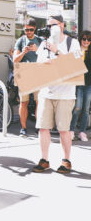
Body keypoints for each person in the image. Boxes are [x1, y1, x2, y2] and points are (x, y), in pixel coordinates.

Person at [32, 15, 80, 174]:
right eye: (49, 25)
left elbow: (76, 66)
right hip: (46, 91)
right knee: (43, 127)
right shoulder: (44, 44)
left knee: (63, 129)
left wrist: (57, 51)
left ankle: (66, 160)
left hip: (65, 94)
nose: (50, 27)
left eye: (54, 24)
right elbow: (37, 64)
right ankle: (44, 159)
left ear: (62, 25)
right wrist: (43, 64)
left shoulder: (72, 42)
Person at [13, 18, 43, 136]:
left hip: (38, 72)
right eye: (26, 30)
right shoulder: (20, 41)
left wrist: (37, 50)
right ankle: (23, 128)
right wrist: (23, 52)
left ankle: (38, 126)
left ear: (34, 28)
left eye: (31, 30)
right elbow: (15, 60)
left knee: (39, 102)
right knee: (24, 102)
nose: (28, 32)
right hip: (24, 72)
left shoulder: (40, 40)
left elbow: (47, 59)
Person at [69, 29, 91, 142]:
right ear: (80, 39)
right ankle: (71, 130)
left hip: (88, 84)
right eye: (84, 39)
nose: (86, 41)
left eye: (89, 39)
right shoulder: (76, 51)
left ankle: (82, 132)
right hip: (78, 83)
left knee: (86, 109)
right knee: (77, 108)